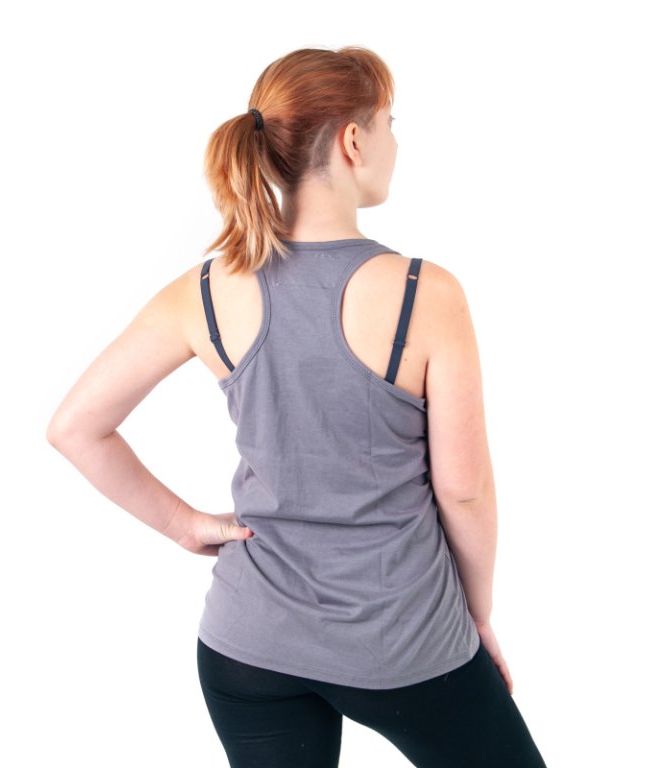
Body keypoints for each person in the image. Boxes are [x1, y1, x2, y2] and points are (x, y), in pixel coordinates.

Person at [47, 45, 546, 768]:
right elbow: (464, 490)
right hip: (404, 642)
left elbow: (75, 427)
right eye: (390, 123)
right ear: (353, 140)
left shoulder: (206, 291)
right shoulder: (424, 293)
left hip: (248, 646)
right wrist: (478, 616)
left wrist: (185, 526)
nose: (395, 141)